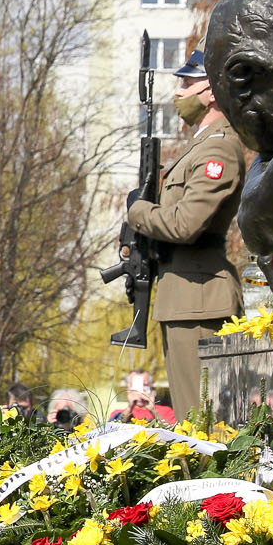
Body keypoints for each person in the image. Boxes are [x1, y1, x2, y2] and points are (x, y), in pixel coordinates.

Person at [123, 50, 244, 420]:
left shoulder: (218, 148)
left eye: (187, 83)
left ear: (211, 93)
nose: (179, 92)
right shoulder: (200, 145)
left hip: (200, 297)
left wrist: (138, 211)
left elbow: (185, 224)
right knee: (190, 417)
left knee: (200, 419)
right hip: (184, 294)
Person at [110, 370, 176, 427]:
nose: (140, 391)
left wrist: (153, 410)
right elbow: (113, 429)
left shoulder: (166, 411)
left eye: (144, 386)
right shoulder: (118, 413)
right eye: (134, 386)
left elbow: (173, 431)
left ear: (151, 388)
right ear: (127, 389)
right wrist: (129, 408)